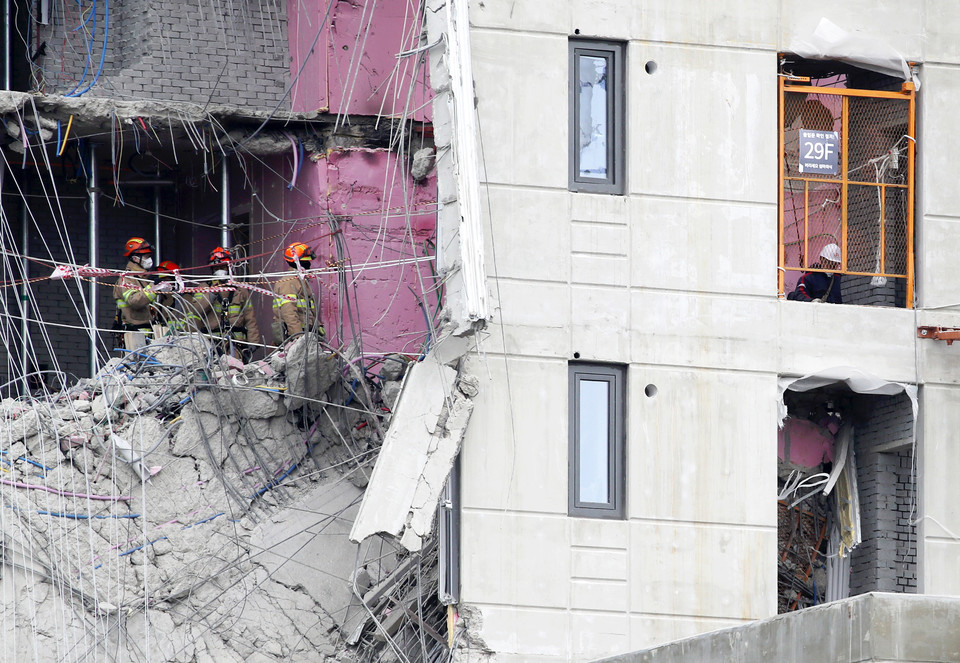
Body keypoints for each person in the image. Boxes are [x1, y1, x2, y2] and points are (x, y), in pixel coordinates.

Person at [189, 247, 261, 359]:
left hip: (237, 345)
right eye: (217, 267)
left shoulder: (240, 290)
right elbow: (197, 311)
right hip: (213, 344)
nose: (220, 270)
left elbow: (250, 318)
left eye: (222, 266)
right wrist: (211, 294)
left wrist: (253, 342)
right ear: (212, 269)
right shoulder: (203, 288)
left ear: (228, 267)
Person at [272, 241, 322, 344]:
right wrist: (298, 338)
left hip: (307, 333)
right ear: (296, 262)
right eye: (305, 262)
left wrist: (318, 325)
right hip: (292, 337)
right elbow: (289, 312)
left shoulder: (301, 281)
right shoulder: (288, 282)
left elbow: (309, 309)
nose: (308, 264)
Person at [113, 237, 158, 350]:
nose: (149, 260)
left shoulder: (142, 278)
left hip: (147, 334)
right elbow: (135, 301)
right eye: (146, 257)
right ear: (135, 258)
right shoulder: (127, 279)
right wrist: (154, 288)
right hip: (133, 335)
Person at [152, 260, 184, 336]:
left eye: (166, 280)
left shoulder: (183, 300)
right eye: (161, 281)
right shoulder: (160, 301)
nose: (163, 284)